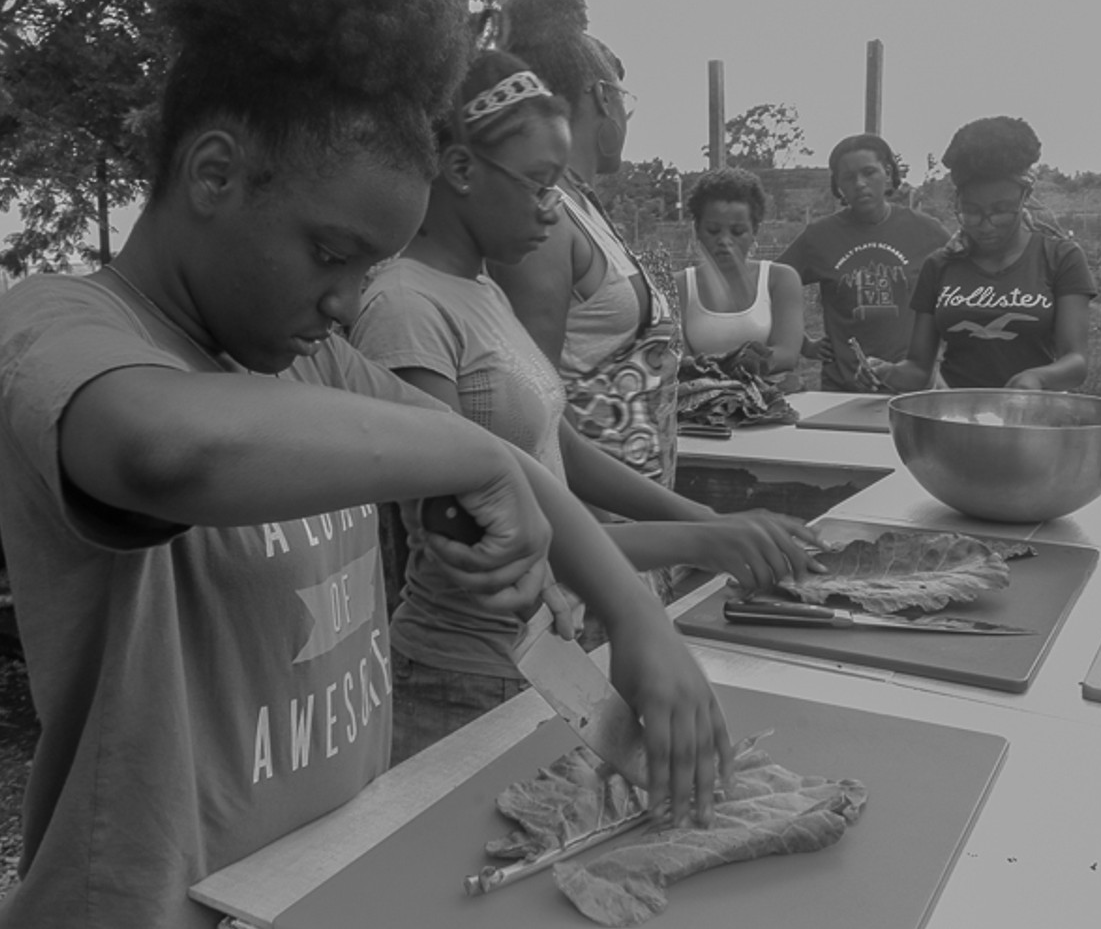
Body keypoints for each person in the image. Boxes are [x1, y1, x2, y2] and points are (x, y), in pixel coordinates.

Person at [0, 0, 730, 927]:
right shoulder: (57, 324)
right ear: (213, 174)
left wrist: (634, 619)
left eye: (370, 269)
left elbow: (511, 467)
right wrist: (466, 450)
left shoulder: (309, 357)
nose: (345, 303)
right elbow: (170, 450)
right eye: (330, 253)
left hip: (320, 883)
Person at [351, 45, 822, 762]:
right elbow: (484, 541)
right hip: (461, 678)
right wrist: (703, 542)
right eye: (540, 184)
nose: (554, 210)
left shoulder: (480, 291)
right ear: (460, 170)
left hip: (542, 653)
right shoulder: (405, 309)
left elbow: (557, 448)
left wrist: (706, 518)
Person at [489, 0, 681, 486]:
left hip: (639, 523)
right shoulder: (547, 223)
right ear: (601, 97)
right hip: (593, 530)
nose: (626, 115)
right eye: (624, 99)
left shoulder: (583, 208)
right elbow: (535, 417)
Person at [867, 117, 1097, 392]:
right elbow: (918, 369)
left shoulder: (1060, 258)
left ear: (1025, 198)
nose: (986, 225)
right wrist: (888, 372)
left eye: (1001, 211)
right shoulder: (940, 266)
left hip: (1030, 418)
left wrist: (1037, 379)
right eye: (972, 212)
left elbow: (1076, 361)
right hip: (958, 415)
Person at [776, 134, 950, 391]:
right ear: (838, 186)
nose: (859, 184)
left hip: (909, 389)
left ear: (888, 173)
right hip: (842, 390)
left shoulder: (928, 232)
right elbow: (769, 288)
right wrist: (803, 344)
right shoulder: (819, 237)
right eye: (848, 177)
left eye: (869, 172)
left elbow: (962, 283)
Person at [677, 166, 805, 376]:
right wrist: (744, 362)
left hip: (768, 403)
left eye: (737, 232)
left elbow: (787, 354)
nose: (725, 241)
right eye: (713, 231)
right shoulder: (679, 287)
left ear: (755, 231)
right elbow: (678, 359)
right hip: (700, 403)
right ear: (697, 229)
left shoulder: (780, 280)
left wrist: (719, 365)